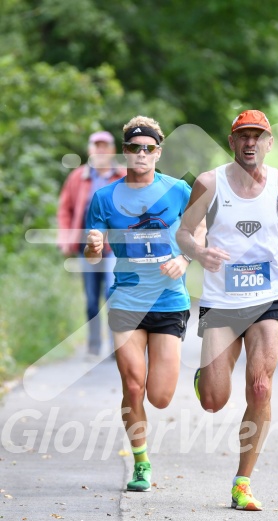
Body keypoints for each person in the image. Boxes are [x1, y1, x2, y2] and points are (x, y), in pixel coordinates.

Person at [176, 109, 278, 511]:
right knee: (213, 400)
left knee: (260, 386)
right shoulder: (209, 183)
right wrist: (199, 251)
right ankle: (206, 376)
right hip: (222, 302)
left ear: (269, 143)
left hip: (268, 297)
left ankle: (243, 482)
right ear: (232, 142)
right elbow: (184, 233)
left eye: (258, 136)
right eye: (244, 136)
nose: (251, 143)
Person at [84, 115, 197, 492]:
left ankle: (195, 377)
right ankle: (141, 462)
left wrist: (185, 258)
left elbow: (200, 230)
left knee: (160, 397)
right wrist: (94, 246)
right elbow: (92, 255)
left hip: (168, 299)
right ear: (125, 151)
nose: (141, 154)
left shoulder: (178, 189)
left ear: (158, 152)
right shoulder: (103, 198)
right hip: (127, 301)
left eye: (148, 149)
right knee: (133, 388)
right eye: (134, 148)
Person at [57, 131, 126, 357]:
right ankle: (94, 344)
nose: (101, 150)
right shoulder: (78, 177)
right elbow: (65, 209)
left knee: (111, 292)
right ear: (90, 150)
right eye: (97, 146)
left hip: (114, 247)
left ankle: (115, 346)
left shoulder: (124, 175)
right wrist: (66, 237)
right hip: (86, 248)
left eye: (105, 146)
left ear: (111, 149)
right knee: (90, 298)